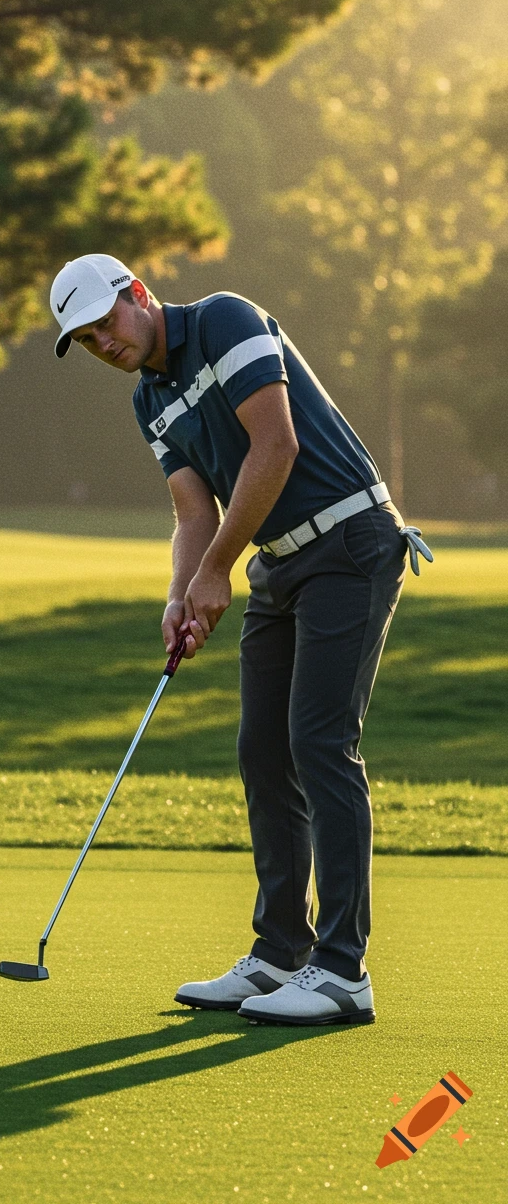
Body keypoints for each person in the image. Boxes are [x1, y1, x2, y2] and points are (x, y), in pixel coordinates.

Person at [49, 252, 432, 1026]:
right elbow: (193, 512)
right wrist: (180, 592)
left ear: (139, 295)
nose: (104, 344)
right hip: (281, 564)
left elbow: (276, 446)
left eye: (105, 323)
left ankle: (341, 971)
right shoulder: (149, 398)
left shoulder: (223, 319)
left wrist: (218, 571)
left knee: (320, 742)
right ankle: (278, 954)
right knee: (263, 747)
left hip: (351, 542)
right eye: (86, 340)